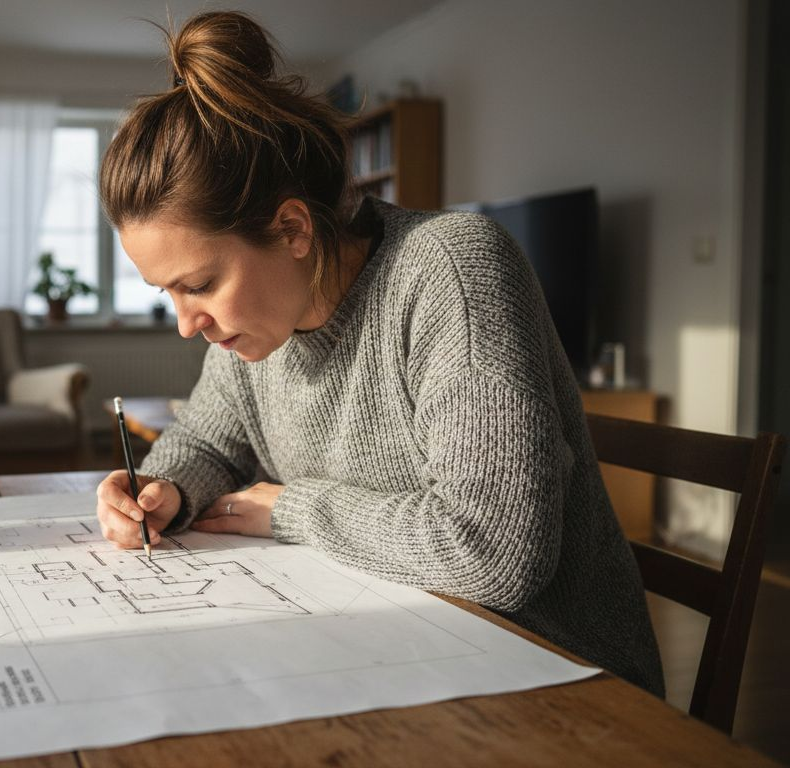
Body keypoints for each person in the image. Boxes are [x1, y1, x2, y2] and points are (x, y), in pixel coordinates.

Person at [91, 10, 664, 696]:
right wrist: (164, 491)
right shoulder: (260, 325)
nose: (187, 325)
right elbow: (211, 441)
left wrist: (293, 511)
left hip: (558, 680)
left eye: (201, 285)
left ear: (293, 227)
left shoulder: (452, 272)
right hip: (390, 646)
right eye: (168, 293)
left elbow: (492, 554)